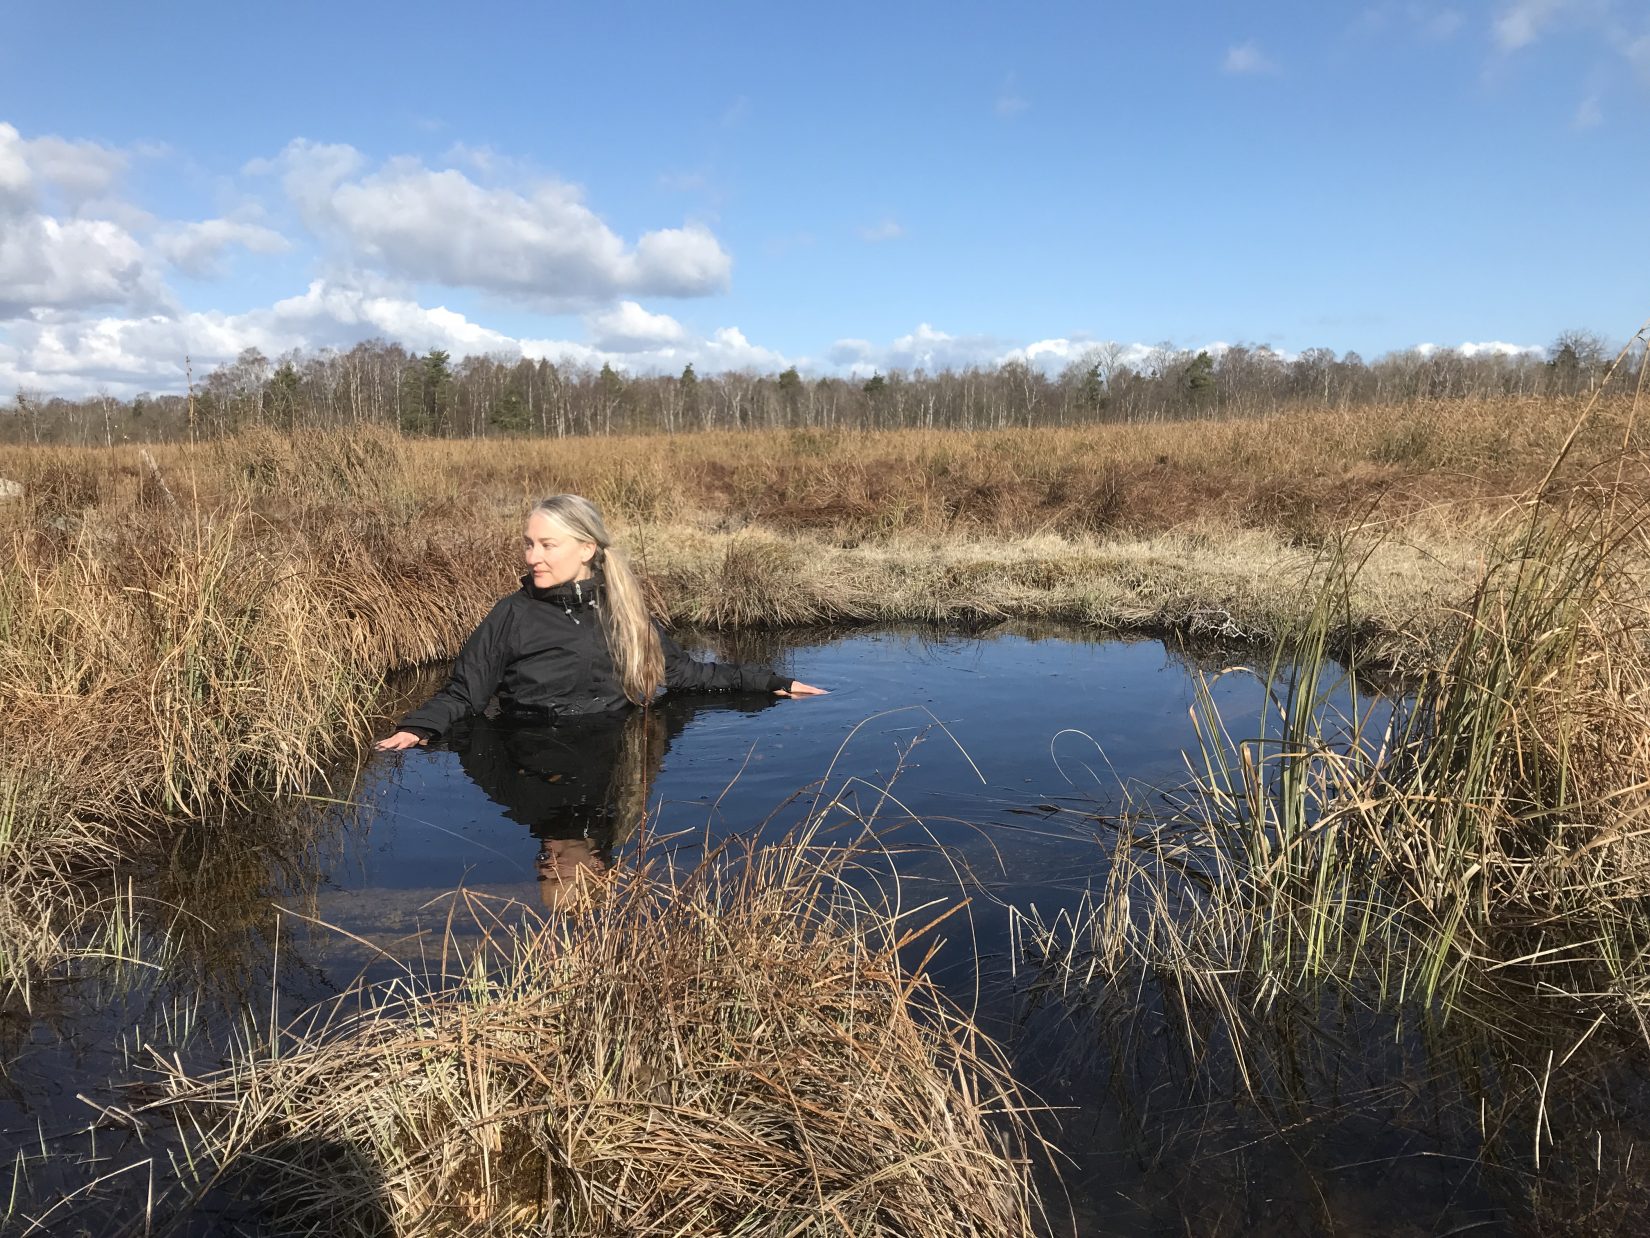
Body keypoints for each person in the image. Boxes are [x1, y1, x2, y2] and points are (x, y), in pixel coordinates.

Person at [375, 494, 824, 753]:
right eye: (529, 544)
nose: (532, 556)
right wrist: (419, 728)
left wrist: (772, 682)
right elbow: (464, 693)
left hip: (615, 740)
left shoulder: (624, 610)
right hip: (530, 748)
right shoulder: (511, 614)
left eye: (548, 545)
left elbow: (687, 675)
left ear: (586, 549)